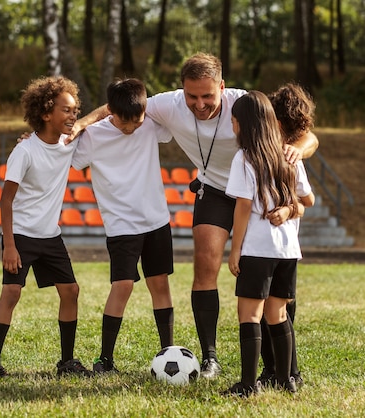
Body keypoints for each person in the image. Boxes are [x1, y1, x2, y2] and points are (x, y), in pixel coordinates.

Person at [73, 53, 319, 378]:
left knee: (272, 280)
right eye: (192, 96)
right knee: (204, 264)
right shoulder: (166, 104)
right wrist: (79, 124)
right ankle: (210, 358)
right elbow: (115, 108)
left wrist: (297, 150)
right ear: (182, 90)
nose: (200, 104)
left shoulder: (246, 103)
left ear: (222, 86)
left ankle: (283, 365)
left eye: (208, 96)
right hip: (215, 190)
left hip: (258, 194)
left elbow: (307, 134)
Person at [0, 76, 92, 379]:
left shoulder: (68, 142)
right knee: (12, 294)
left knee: (71, 291)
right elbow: (6, 201)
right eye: (66, 111)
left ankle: (67, 362)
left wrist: (90, 118)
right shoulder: (24, 151)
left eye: (75, 110)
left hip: (50, 236)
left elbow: (97, 116)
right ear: (46, 113)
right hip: (21, 235)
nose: (73, 116)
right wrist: (9, 245)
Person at [71, 78, 175, 373]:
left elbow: (172, 117)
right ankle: (105, 359)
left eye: (137, 121)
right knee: (123, 285)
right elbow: (69, 154)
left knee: (160, 284)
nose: (131, 128)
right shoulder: (94, 135)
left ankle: (167, 352)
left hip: (156, 219)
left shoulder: (150, 124)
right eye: (123, 122)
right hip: (121, 224)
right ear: (110, 112)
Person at [223, 90, 315, 397]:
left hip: (257, 249)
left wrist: (234, 249)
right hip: (288, 250)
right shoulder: (289, 154)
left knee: (250, 315)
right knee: (278, 313)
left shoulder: (245, 156)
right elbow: (308, 199)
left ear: (241, 124)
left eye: (233, 121)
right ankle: (287, 380)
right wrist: (290, 209)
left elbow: (243, 207)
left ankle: (248, 385)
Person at [256, 82, 318, 388]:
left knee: (276, 312)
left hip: (282, 245)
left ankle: (285, 372)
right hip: (271, 245)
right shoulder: (262, 150)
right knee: (276, 311)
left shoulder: (290, 156)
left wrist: (287, 207)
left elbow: (308, 201)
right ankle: (281, 372)